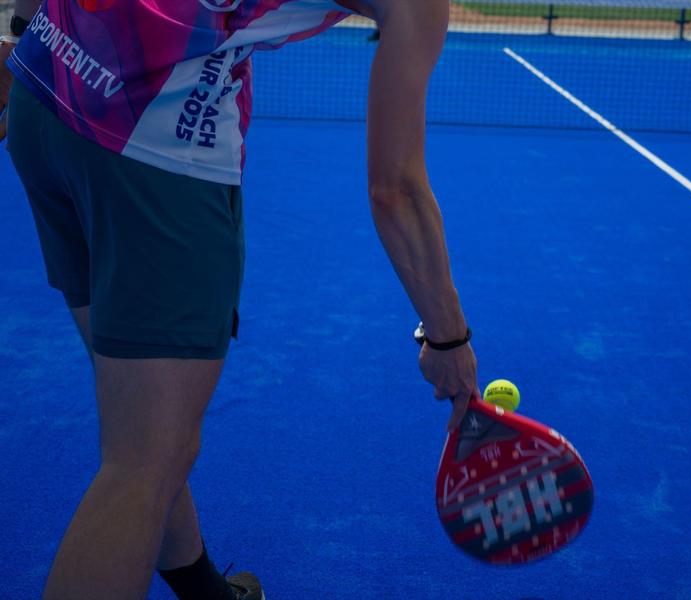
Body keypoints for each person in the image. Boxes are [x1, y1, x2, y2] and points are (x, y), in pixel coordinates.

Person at [0, 0, 479, 598]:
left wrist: (20, 33)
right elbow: (396, 190)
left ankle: (203, 590)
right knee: (144, 462)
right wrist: (448, 337)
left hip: (44, 86)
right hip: (153, 151)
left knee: (138, 421)